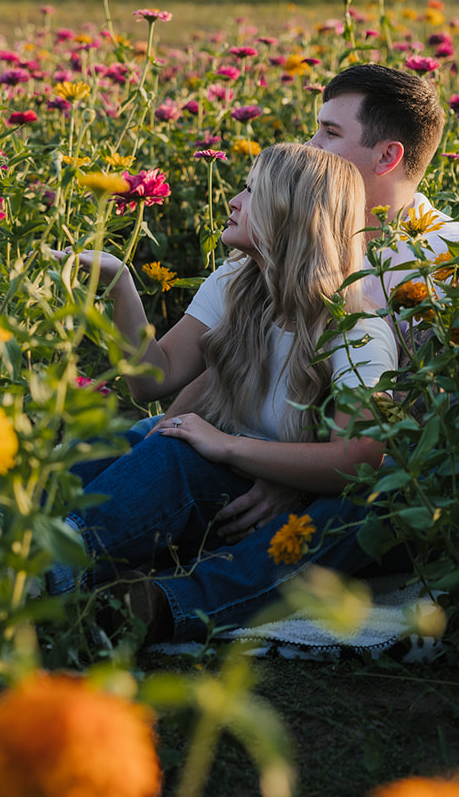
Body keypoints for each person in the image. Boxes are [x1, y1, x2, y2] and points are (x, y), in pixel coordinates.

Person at [49, 143, 397, 642]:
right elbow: (152, 379)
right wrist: (120, 283)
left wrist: (229, 446)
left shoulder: (354, 328)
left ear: (291, 213)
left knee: (184, 455)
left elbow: (360, 457)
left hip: (292, 493)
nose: (234, 199)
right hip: (234, 483)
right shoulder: (236, 281)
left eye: (252, 190)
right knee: (133, 439)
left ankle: (55, 572)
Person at [173, 62, 459, 540]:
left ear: (387, 156)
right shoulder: (295, 225)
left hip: (381, 475)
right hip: (273, 444)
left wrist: (299, 478)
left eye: (329, 132)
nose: (311, 146)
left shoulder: (449, 261)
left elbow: (444, 410)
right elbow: (229, 357)